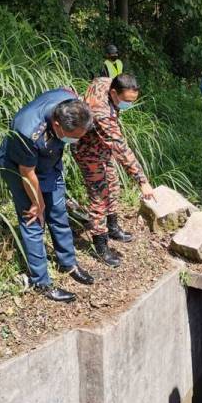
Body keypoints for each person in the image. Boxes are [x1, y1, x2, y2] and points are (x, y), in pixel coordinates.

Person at [0, 89, 95, 303]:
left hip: (49, 159)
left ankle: (68, 264)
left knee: (58, 212)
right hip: (19, 167)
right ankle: (41, 282)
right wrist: (38, 203)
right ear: (58, 125)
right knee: (33, 219)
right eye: (75, 137)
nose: (77, 141)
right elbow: (27, 173)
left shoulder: (70, 103)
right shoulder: (27, 130)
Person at [72, 74, 155, 267]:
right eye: (126, 101)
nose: (128, 105)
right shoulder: (101, 112)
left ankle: (113, 227)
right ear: (113, 93)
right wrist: (142, 181)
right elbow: (121, 148)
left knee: (113, 184)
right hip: (87, 151)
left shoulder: (106, 81)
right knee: (99, 197)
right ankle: (100, 245)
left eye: (132, 101)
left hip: (102, 146)